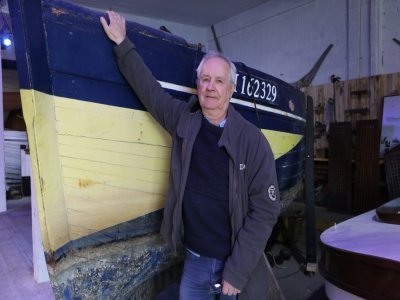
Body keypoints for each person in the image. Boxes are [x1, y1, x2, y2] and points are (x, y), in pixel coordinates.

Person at [100, 10, 281, 300]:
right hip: (196, 260)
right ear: (197, 85)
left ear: (231, 90)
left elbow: (266, 211)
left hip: (234, 262)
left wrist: (237, 271)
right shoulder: (184, 121)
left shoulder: (252, 141)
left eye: (219, 81)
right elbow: (150, 92)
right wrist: (123, 44)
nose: (210, 87)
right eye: (205, 79)